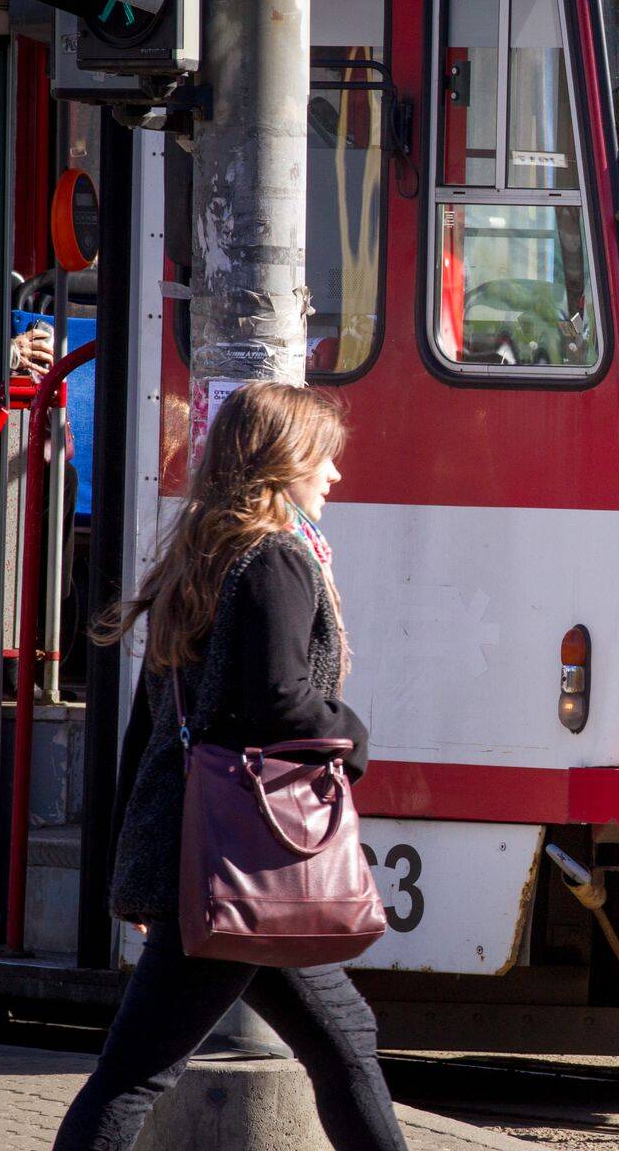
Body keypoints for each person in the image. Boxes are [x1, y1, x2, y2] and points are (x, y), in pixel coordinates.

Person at [55, 384, 403, 1151]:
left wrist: (134, 861)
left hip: (214, 850)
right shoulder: (275, 557)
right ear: (283, 459)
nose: (335, 475)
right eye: (323, 458)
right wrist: (351, 736)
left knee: (345, 1037)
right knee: (134, 1075)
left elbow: (150, 726)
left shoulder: (202, 555)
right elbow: (279, 698)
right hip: (240, 855)